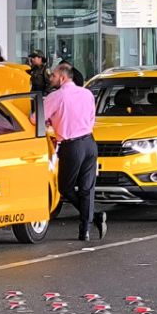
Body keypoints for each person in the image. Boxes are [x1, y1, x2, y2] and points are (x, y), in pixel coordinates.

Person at [37, 62, 105, 242]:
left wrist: (51, 122)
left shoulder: (56, 96)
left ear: (62, 77)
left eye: (53, 75)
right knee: (86, 188)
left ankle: (94, 217)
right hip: (90, 143)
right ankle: (86, 229)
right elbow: (91, 118)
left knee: (65, 188)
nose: (50, 78)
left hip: (71, 146)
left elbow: (35, 119)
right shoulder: (87, 94)